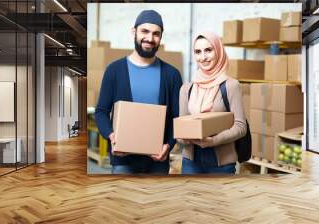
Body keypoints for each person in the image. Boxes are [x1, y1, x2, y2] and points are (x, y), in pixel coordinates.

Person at [95, 10, 183, 174]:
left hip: (158, 160)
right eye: (145, 31)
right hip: (123, 161)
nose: (150, 38)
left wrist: (168, 145)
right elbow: (101, 111)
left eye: (156, 34)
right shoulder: (114, 70)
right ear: (133, 32)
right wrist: (111, 137)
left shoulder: (172, 75)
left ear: (161, 37)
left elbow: (177, 118)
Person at [177, 32, 247, 174]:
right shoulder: (186, 89)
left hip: (221, 164)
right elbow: (181, 127)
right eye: (198, 52)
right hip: (191, 162)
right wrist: (184, 138)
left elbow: (241, 127)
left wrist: (213, 141)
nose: (203, 57)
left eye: (208, 50)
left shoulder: (231, 85)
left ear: (218, 50)